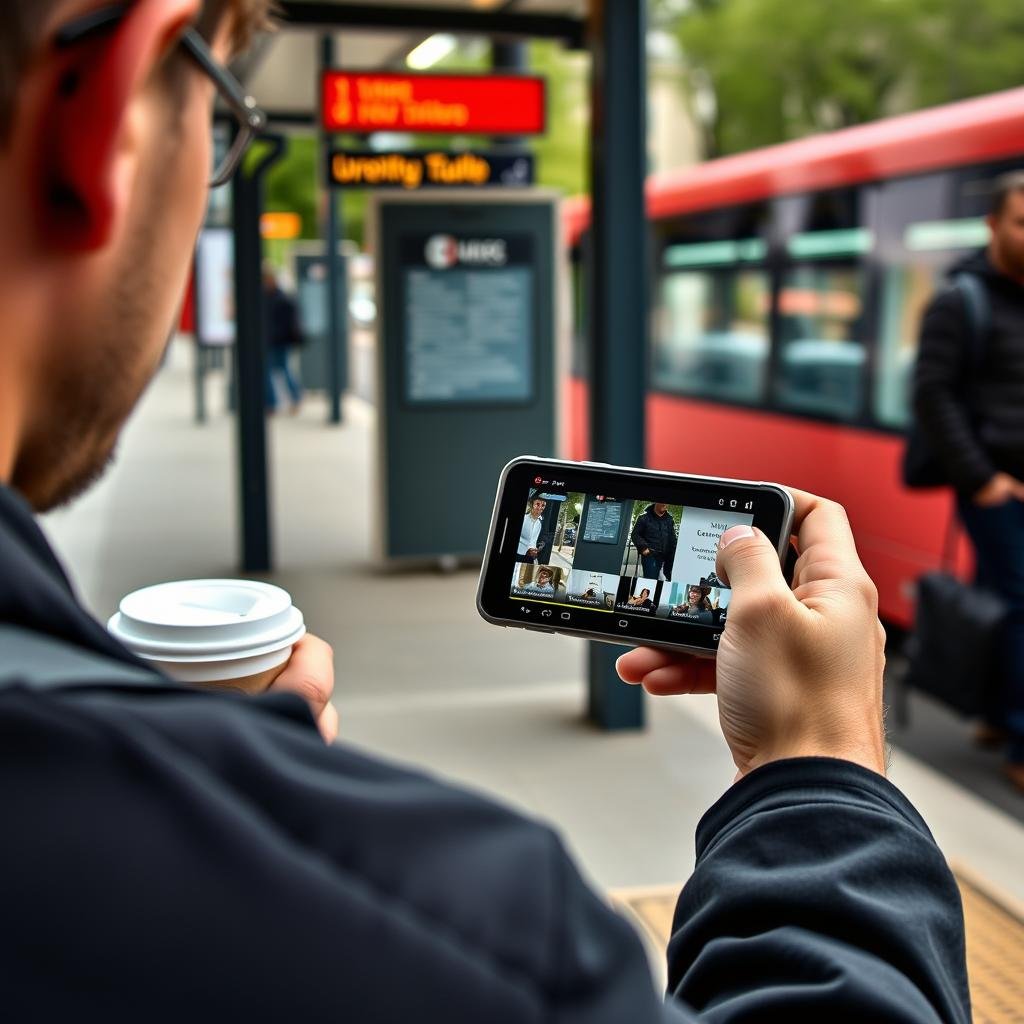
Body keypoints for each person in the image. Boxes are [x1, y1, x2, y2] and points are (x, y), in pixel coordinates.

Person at [0, 3, 969, 1021]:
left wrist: (193, 785)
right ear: (111, 115)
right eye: (223, 127)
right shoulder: (484, 937)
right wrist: (820, 767)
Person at [913, 169, 1024, 793]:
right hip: (997, 488)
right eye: (1021, 223)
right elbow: (933, 394)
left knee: (1002, 601)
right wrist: (982, 480)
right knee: (1021, 605)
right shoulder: (963, 299)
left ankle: (990, 713)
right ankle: (1019, 737)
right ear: (993, 225)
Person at [263, 264, 303, 414]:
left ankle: (292, 399)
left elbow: (288, 322)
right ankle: (273, 403)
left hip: (279, 341)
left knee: (282, 370)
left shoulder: (281, 298)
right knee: (273, 371)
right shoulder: (268, 297)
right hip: (271, 340)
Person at [632, 502, 677, 580]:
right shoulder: (643, 518)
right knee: (650, 580)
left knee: (671, 578)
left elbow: (672, 538)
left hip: (668, 557)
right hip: (651, 555)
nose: (665, 504)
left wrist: (675, 551)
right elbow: (635, 535)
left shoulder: (669, 520)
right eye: (662, 503)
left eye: (667, 503)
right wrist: (643, 548)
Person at [517, 495, 547, 563]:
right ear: (532, 505)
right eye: (538, 504)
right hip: (518, 554)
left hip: (532, 556)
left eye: (543, 505)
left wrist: (540, 547)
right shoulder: (523, 518)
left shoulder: (542, 522)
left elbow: (544, 537)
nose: (540, 507)